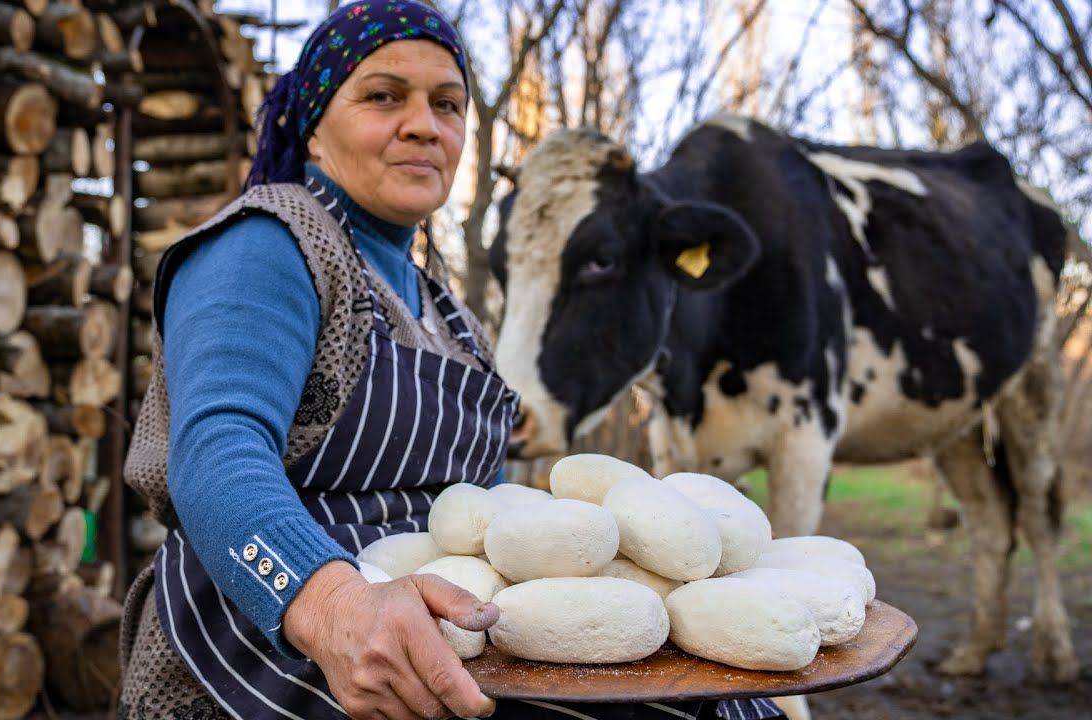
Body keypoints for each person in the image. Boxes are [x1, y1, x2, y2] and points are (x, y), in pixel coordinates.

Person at [119, 3, 788, 719]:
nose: (423, 124)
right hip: (282, 640)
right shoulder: (266, 244)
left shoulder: (452, 317)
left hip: (444, 624)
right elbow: (216, 457)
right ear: (313, 125)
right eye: (383, 96)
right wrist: (335, 606)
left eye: (448, 104)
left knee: (718, 700)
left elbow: (486, 512)